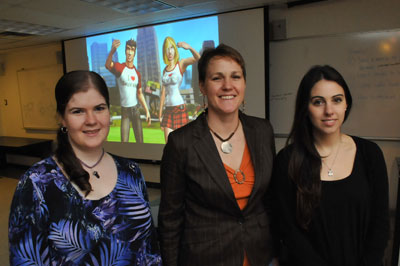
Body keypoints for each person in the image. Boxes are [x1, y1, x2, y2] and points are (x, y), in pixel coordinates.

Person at [8, 71, 161, 265]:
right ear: (61, 118)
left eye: (99, 108)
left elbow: (149, 250)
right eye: (78, 111)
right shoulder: (37, 182)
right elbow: (26, 259)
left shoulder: (130, 171)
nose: (91, 120)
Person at [158, 44, 277, 266]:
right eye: (217, 78)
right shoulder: (181, 142)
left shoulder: (262, 131)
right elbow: (170, 220)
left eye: (236, 77)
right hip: (206, 258)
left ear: (244, 83)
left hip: (260, 255)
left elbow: (270, 201)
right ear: (202, 86)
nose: (228, 86)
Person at [273, 65, 389, 266]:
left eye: (337, 100)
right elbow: (288, 230)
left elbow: (380, 226)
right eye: (318, 102)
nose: (329, 111)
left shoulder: (370, 154)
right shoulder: (287, 160)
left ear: (346, 104)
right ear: (305, 108)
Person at [105, 38, 151, 143]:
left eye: (132, 50)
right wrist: (112, 51)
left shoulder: (137, 73)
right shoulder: (119, 67)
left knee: (140, 143)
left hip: (136, 111)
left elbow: (140, 94)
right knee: (124, 143)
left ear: (135, 53)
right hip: (125, 112)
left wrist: (147, 111)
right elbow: (107, 65)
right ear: (125, 51)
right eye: (128, 49)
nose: (130, 52)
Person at [158, 36, 200, 143]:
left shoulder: (180, 64)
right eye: (167, 49)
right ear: (164, 52)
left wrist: (189, 47)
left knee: (183, 144)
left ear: (175, 50)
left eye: (171, 48)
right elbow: (163, 93)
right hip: (168, 110)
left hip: (179, 109)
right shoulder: (164, 70)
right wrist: (160, 114)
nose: (170, 51)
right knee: (168, 147)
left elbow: (198, 58)